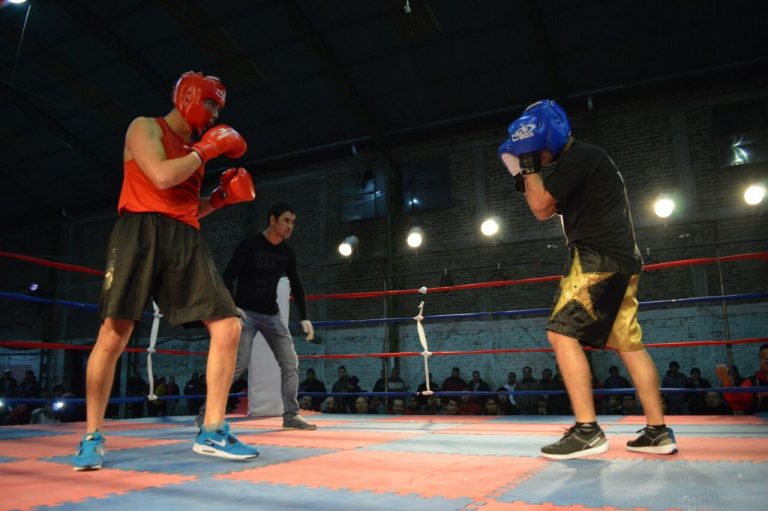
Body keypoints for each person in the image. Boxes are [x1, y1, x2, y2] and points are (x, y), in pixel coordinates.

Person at [72, 71, 259, 470]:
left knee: (228, 324)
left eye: (218, 109)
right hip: (138, 231)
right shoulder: (145, 128)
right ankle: (91, 435)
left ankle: (212, 429)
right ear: (189, 96)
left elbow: (185, 206)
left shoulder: (195, 149)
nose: (213, 114)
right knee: (114, 332)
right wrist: (207, 151)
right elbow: (159, 176)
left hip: (184, 236)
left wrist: (221, 200)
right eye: (210, 103)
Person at [499, 99, 677, 459]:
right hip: (622, 260)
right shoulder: (584, 161)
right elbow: (545, 206)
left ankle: (587, 430)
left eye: (535, 147)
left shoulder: (580, 157)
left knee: (561, 333)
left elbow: (540, 207)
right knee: (628, 344)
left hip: (599, 259)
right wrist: (525, 171)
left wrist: (528, 162)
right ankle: (658, 431)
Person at [195, 203, 317, 430]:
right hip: (246, 313)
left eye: (293, 222)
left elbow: (297, 284)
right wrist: (231, 308)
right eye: (286, 221)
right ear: (273, 220)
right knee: (238, 365)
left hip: (272, 314)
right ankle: (205, 413)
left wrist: (305, 317)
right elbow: (228, 276)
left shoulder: (286, 251)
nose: (290, 226)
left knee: (290, 363)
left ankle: (290, 415)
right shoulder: (249, 245)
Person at [715, 343, 768, 414]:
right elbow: (738, 402)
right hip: (759, 422)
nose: (766, 358)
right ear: (759, 361)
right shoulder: (752, 381)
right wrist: (727, 385)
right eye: (763, 356)